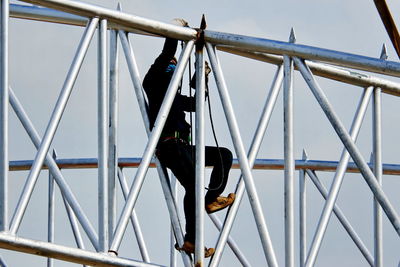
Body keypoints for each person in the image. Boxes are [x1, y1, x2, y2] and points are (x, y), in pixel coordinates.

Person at [142, 19, 235, 258]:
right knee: (192, 184)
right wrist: (176, 31)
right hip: (168, 144)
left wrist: (201, 77)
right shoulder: (153, 84)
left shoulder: (176, 97)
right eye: (170, 65)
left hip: (184, 145)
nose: (174, 66)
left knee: (224, 156)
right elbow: (167, 53)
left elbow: (196, 104)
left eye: (176, 65)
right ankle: (192, 240)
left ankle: (210, 200)